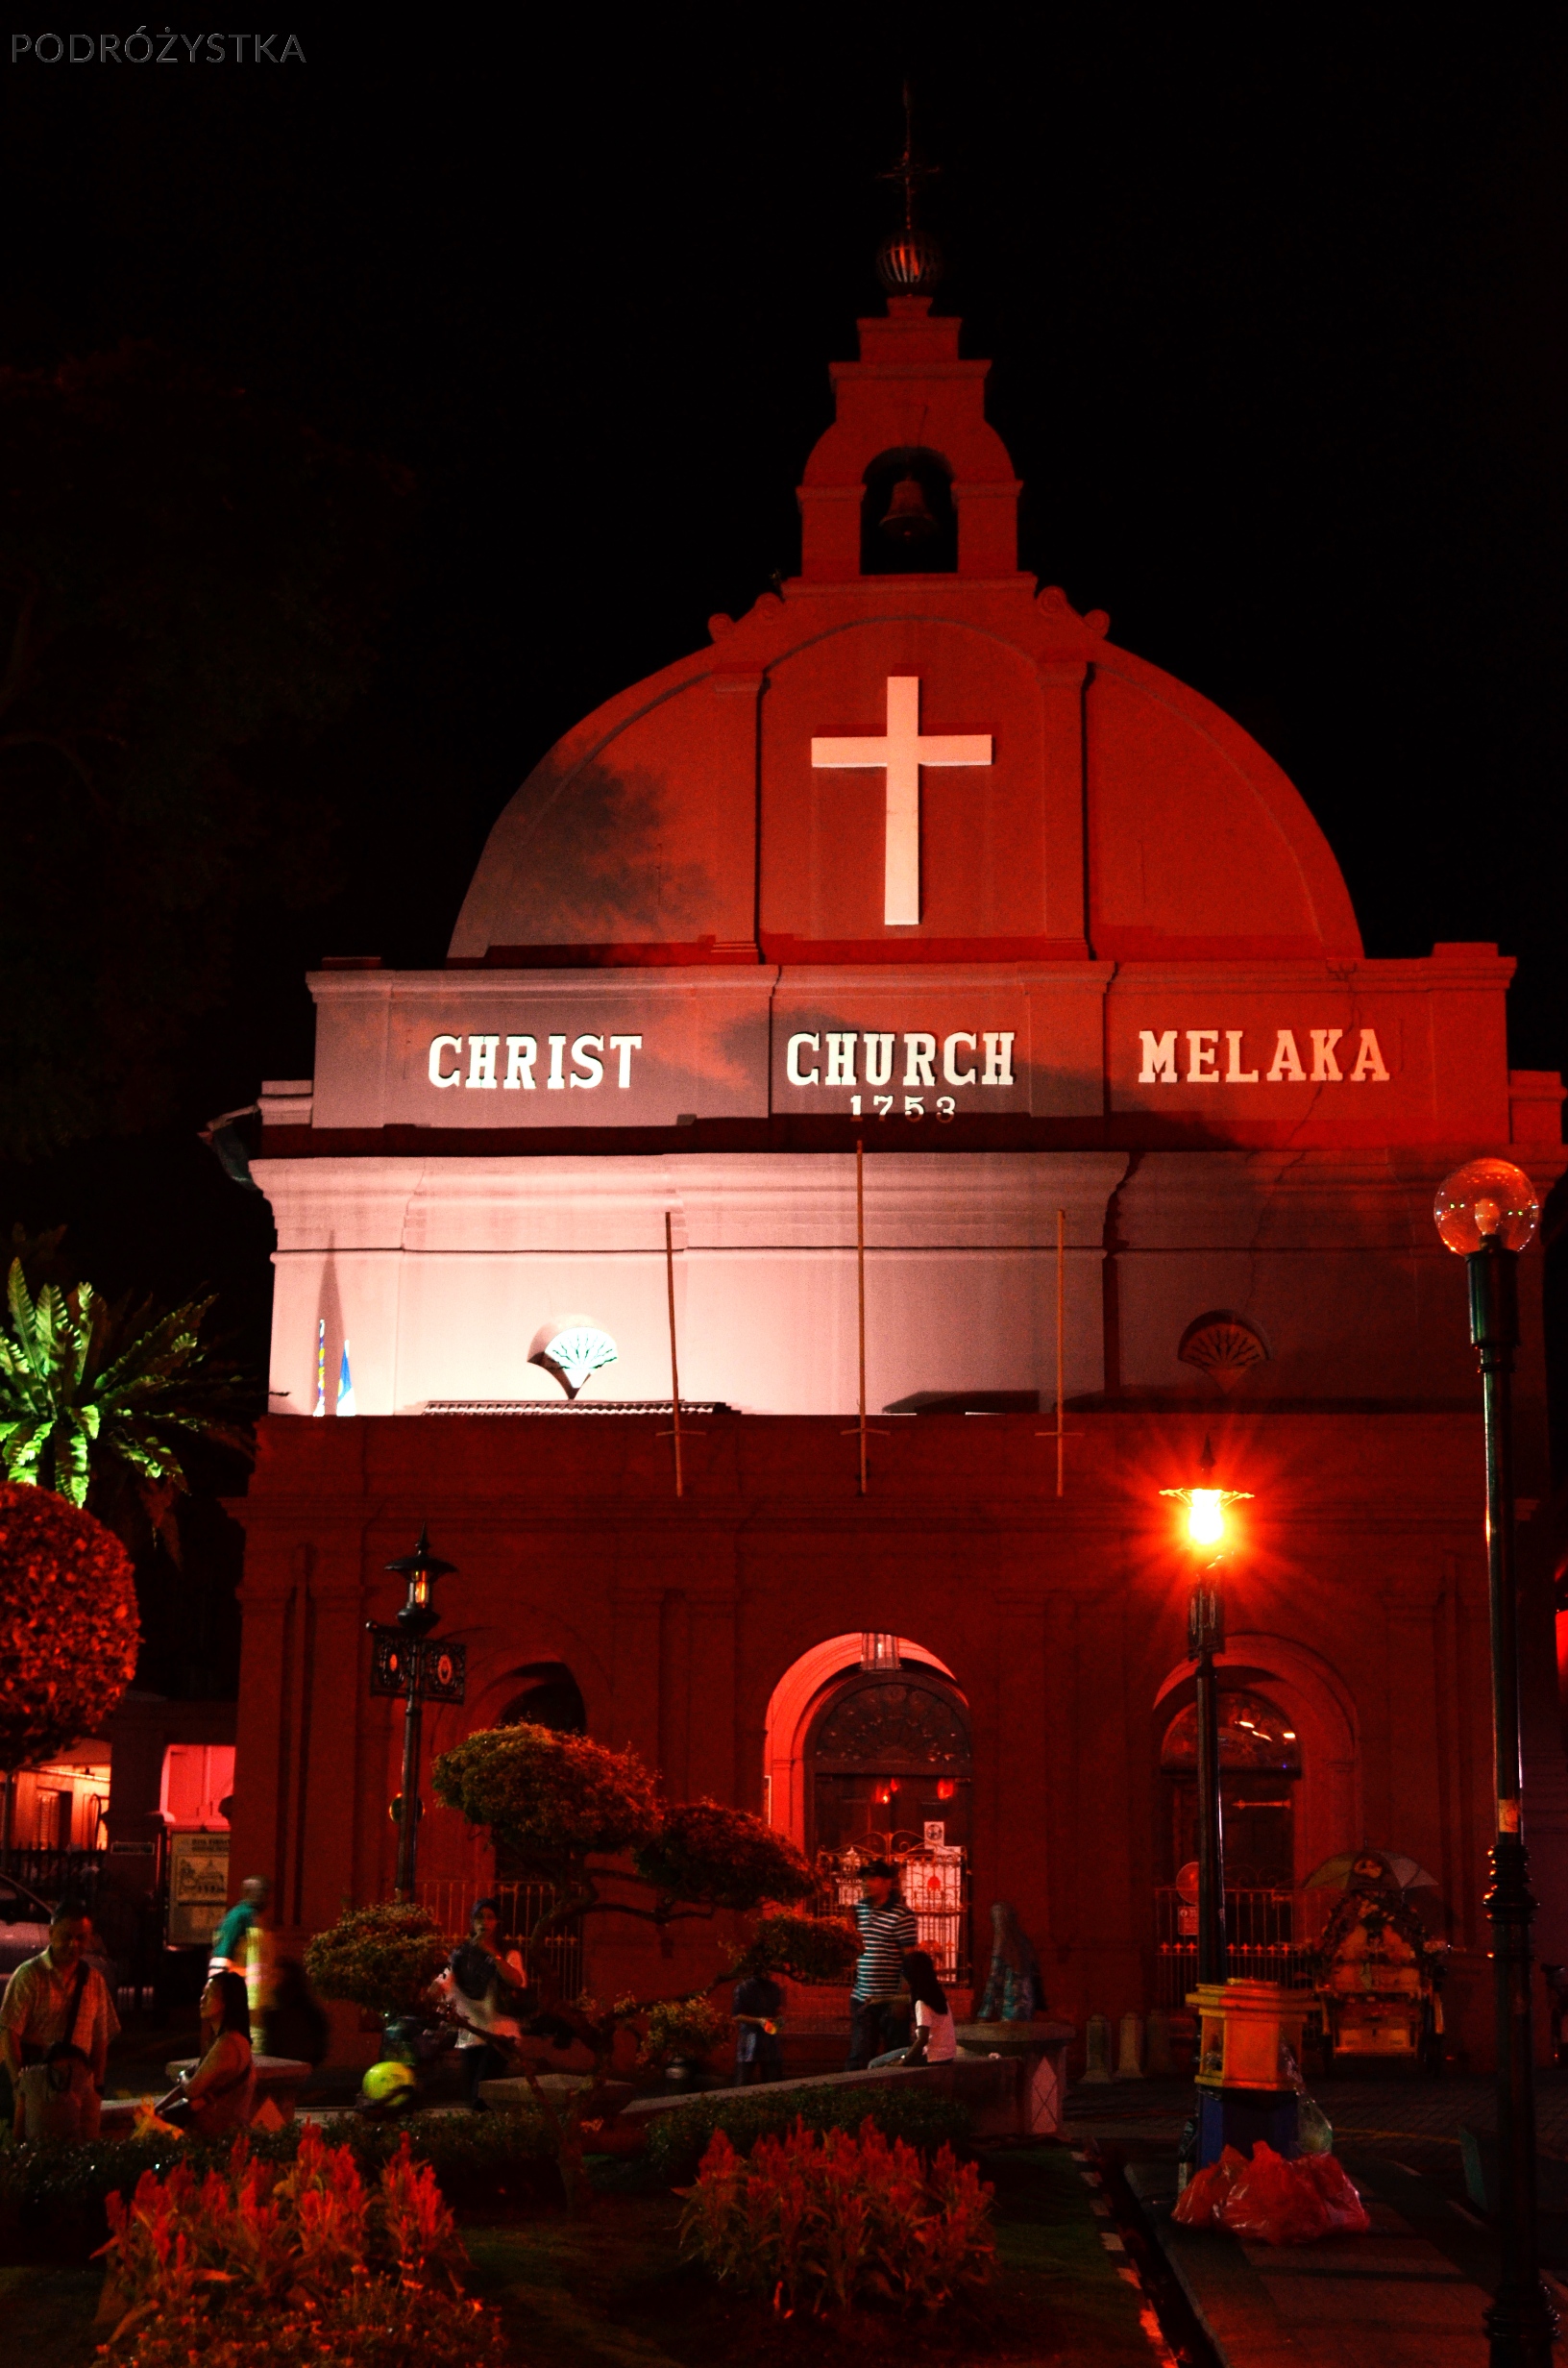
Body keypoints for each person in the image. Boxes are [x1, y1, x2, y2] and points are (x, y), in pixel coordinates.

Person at [0, 1896, 120, 2142]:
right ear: (51, 1933)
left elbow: (100, 2039)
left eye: (81, 1938)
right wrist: (19, 2085)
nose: (73, 1944)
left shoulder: (94, 1981)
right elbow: (9, 2032)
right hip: (40, 2090)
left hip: (80, 2091)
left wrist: (97, 2087)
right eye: (66, 1936)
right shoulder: (29, 1976)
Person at [439, 1898, 527, 2108]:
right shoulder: (462, 1954)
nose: (484, 1923)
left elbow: (516, 1980)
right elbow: (445, 1979)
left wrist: (492, 1953)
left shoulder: (507, 1952)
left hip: (500, 2033)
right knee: (471, 2094)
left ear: (497, 1922)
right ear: (472, 1921)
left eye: (490, 1917)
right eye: (479, 1917)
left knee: (482, 2094)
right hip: (472, 2033)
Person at [845, 1860, 918, 2070]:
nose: (866, 1883)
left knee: (896, 2056)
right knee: (859, 2056)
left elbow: (909, 1960)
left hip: (891, 2000)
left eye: (872, 1878)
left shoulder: (901, 1915)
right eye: (864, 1879)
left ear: (888, 1882)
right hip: (863, 1998)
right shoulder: (858, 1911)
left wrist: (901, 1999)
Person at [163, 1972, 256, 2136]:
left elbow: (191, 2090)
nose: (202, 2000)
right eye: (203, 1993)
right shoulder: (233, 2040)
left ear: (226, 2002)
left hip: (218, 2136)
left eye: (209, 1994)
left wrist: (183, 2075)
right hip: (227, 2132)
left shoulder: (228, 2044)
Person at [211, 1876, 273, 2055]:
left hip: (253, 1997)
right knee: (248, 2044)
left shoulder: (249, 1917)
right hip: (243, 1996)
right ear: (247, 1893)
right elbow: (222, 1957)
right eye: (260, 1892)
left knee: (252, 2043)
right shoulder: (240, 1917)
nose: (265, 1897)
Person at [870, 1950, 957, 2067]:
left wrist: (903, 2060)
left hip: (931, 2056)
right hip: (947, 2055)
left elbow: (922, 2039)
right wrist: (881, 2000)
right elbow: (909, 1998)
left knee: (874, 2064)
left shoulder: (921, 2003)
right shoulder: (936, 1995)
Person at [977, 1900, 1041, 2022]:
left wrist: (984, 2012)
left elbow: (994, 1979)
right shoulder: (1023, 1940)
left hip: (1009, 2004)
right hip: (1027, 2001)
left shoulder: (1002, 1941)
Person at [732, 1971, 784, 2084]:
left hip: (768, 2039)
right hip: (750, 2038)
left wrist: (776, 2025)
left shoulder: (773, 1988)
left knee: (771, 2079)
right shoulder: (744, 1988)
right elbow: (737, 2015)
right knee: (744, 2077)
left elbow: (779, 2012)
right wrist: (759, 2021)